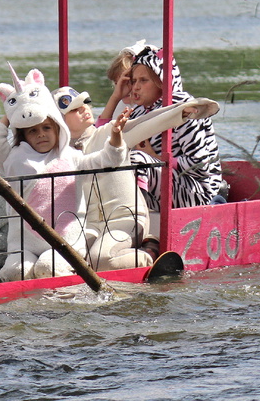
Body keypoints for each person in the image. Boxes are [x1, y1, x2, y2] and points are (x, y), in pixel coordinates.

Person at [54, 85, 219, 270]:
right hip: (90, 224)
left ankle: (149, 255)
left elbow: (146, 123)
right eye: (74, 109)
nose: (84, 108)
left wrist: (182, 110)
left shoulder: (111, 133)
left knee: (101, 258)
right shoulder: (58, 155)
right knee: (65, 257)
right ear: (60, 121)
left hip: (125, 218)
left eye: (85, 103)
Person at [0, 67, 125, 281]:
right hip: (25, 243)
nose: (41, 134)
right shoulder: (13, 158)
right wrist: (17, 109)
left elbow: (107, 160)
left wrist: (115, 137)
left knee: (48, 268)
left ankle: (56, 305)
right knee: (16, 272)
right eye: (33, 130)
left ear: (58, 128)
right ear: (23, 133)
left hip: (65, 242)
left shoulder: (71, 156)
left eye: (47, 128)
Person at [125, 45, 225, 208]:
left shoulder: (185, 109)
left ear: (162, 80)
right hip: (162, 187)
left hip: (198, 192)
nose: (135, 87)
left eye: (143, 80)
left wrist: (156, 158)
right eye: (133, 81)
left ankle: (139, 221)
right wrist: (117, 95)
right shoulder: (138, 113)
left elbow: (200, 166)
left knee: (138, 161)